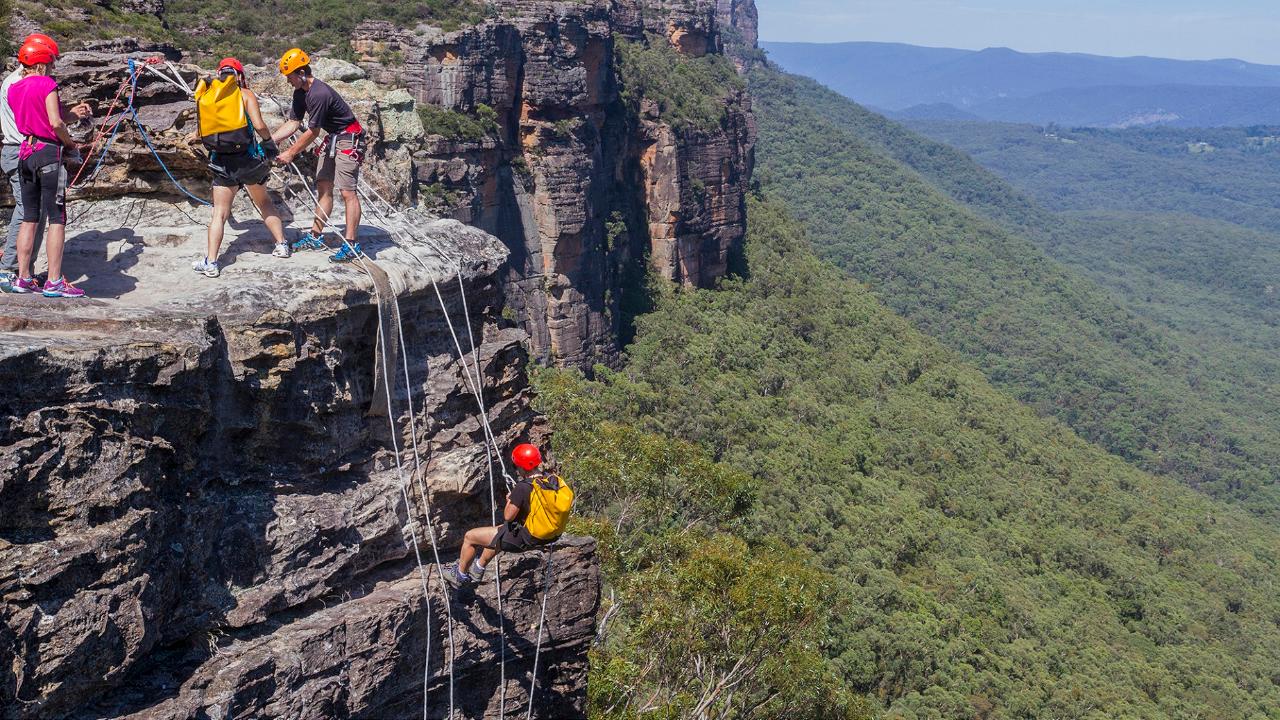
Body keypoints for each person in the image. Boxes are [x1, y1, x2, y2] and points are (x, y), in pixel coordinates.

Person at [0, 33, 87, 293]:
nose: (53, 66)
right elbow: (54, 122)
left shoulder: (14, 86)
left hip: (25, 150)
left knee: (29, 215)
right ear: (43, 61)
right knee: (56, 217)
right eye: (51, 61)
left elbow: (31, 116)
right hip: (47, 152)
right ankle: (54, 281)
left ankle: (23, 277)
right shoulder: (47, 84)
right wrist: (70, 145)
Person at [192, 57, 288, 278]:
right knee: (263, 201)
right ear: (240, 76)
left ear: (219, 74)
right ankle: (281, 245)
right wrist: (269, 145)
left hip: (222, 161)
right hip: (248, 160)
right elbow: (259, 125)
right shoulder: (245, 95)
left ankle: (212, 262)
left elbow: (200, 132)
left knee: (219, 213)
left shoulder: (207, 97)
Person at [270, 48, 365, 263]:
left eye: (290, 77)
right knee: (323, 185)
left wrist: (290, 153)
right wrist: (271, 141)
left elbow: (313, 132)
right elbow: (294, 123)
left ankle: (352, 245)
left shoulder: (319, 93)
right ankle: (315, 236)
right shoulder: (300, 93)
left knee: (348, 193)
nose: (288, 81)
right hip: (333, 137)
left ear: (302, 72)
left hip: (348, 138)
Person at [446, 444, 575, 587]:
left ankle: (460, 575)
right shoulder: (552, 480)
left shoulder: (523, 487)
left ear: (521, 466)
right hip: (549, 536)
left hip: (525, 540)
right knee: (498, 532)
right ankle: (478, 568)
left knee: (470, 537)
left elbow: (509, 516)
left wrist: (510, 500)